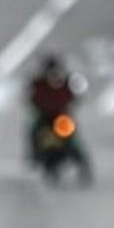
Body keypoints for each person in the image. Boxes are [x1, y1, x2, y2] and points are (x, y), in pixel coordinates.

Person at [26, 52, 93, 184]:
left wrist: (68, 107)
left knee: (72, 140)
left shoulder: (66, 81)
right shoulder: (38, 83)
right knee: (34, 131)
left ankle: (82, 164)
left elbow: (74, 96)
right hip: (44, 118)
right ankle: (35, 154)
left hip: (61, 117)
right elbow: (31, 98)